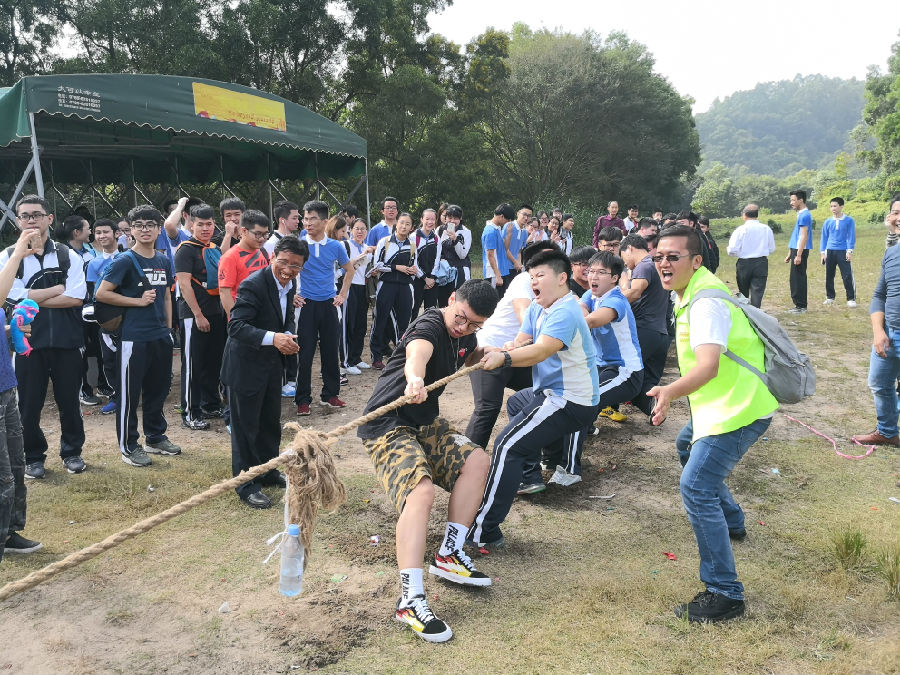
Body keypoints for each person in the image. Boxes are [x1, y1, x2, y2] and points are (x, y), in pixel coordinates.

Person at [647, 225, 778, 623]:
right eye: (659, 257)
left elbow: (707, 366)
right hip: (719, 406)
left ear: (696, 260)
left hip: (737, 409)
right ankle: (734, 521)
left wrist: (669, 391)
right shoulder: (689, 292)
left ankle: (725, 592)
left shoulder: (705, 303)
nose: (664, 264)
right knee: (686, 448)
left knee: (696, 486)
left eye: (673, 257)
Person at [357, 280, 499, 643]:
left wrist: (489, 352)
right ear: (451, 301)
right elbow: (417, 353)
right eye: (461, 318)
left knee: (478, 460)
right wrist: (415, 378)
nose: (463, 328)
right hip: (387, 426)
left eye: (474, 325)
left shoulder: (466, 334)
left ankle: (449, 553)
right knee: (420, 494)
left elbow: (464, 352)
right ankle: (410, 599)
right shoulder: (430, 324)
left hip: (425, 424)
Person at [471, 249, 600, 545]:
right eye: (531, 277)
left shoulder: (565, 311)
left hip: (572, 399)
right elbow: (522, 341)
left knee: (506, 446)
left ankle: (484, 531)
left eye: (540, 276)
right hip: (551, 393)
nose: (534, 283)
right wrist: (502, 348)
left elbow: (540, 351)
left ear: (562, 278)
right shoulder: (537, 308)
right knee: (517, 402)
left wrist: (504, 358)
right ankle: (540, 467)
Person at [1, 195, 87, 479]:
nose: (31, 220)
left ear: (49, 219)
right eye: (25, 216)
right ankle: (33, 457)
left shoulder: (67, 255)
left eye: (37, 214)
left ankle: (72, 453)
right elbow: (8, 299)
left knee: (69, 402)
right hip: (27, 345)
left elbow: (76, 298)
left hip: (67, 342)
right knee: (28, 404)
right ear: (17, 222)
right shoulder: (8, 257)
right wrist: (53, 291)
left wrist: (27, 298)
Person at [222, 237, 309, 508]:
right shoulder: (253, 284)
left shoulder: (290, 283)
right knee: (246, 426)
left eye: (296, 266)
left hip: (272, 365)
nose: (288, 270)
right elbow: (235, 326)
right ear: (273, 257)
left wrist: (287, 336)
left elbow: (286, 318)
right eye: (283, 262)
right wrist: (274, 338)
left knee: (269, 422)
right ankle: (246, 482)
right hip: (244, 366)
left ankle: (268, 469)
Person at [95, 205, 181, 467]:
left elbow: (166, 294)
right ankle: (128, 445)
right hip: (133, 337)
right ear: (130, 230)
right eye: (139, 225)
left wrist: (168, 329)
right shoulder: (124, 260)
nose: (145, 229)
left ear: (158, 229)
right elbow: (102, 293)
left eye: (150, 225)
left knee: (158, 389)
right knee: (129, 394)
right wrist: (137, 301)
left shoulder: (164, 260)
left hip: (159, 336)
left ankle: (155, 437)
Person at [465, 241, 557, 452]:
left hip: (517, 353)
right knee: (488, 408)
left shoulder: (556, 287)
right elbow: (524, 315)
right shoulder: (524, 280)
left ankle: (548, 454)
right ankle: (465, 464)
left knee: (546, 393)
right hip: (490, 350)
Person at [575, 250, 644, 461]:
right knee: (573, 392)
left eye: (601, 272)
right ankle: (585, 427)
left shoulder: (616, 300)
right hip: (601, 366)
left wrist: (583, 315)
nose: (593, 277)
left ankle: (569, 464)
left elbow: (592, 321)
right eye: (591, 271)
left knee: (583, 399)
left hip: (626, 371)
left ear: (615, 278)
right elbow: (581, 306)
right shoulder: (593, 294)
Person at [0, 228, 43, 557]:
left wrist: (9, 327)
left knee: (16, 465)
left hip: (5, 384)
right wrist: (16, 254)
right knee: (2, 474)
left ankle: (9, 532)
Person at [295, 200, 353, 415]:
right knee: (305, 353)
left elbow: (349, 269)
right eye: (305, 218)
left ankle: (330, 395)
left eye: (312, 219)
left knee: (330, 351)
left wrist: (342, 294)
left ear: (325, 221)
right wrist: (293, 294)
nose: (307, 223)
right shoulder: (299, 244)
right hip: (306, 305)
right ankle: (302, 399)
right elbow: (286, 268)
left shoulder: (336, 246)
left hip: (329, 304)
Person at [851, 194, 900, 447]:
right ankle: (887, 432)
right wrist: (878, 330)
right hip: (888, 333)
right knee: (880, 384)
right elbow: (879, 295)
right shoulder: (891, 254)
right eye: (895, 212)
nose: (898, 218)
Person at [175, 203, 226, 430]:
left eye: (209, 224)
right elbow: (184, 285)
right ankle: (190, 412)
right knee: (193, 364)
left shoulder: (214, 247)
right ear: (191, 224)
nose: (205, 228)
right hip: (193, 315)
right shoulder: (185, 249)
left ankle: (210, 404)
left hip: (216, 313)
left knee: (213, 362)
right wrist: (197, 314)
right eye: (200, 224)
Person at [619, 234, 671, 417]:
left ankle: (596, 412)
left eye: (623, 256)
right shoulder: (656, 266)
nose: (625, 263)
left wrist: (605, 303)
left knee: (621, 375)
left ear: (630, 248)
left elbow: (634, 293)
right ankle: (655, 410)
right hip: (661, 334)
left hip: (644, 331)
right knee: (646, 382)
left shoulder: (644, 266)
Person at [61, 214, 107, 407]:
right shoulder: (62, 254)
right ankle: (83, 390)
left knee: (100, 346)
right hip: (73, 310)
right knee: (80, 350)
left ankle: (105, 385)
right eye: (88, 228)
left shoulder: (89, 254)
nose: (91, 232)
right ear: (76, 232)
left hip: (93, 309)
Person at [370, 212, 419, 370]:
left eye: (408, 224)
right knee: (380, 320)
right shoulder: (384, 242)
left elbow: (415, 266)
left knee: (404, 321)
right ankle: (376, 356)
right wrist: (397, 268)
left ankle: (401, 356)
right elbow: (377, 265)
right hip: (386, 285)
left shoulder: (412, 245)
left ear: (411, 228)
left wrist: (412, 270)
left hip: (405, 286)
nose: (404, 226)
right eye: (402, 223)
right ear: (396, 224)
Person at [85, 219, 122, 416]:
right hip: (106, 320)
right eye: (97, 232)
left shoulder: (128, 257)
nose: (102, 236)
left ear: (116, 233)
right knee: (109, 360)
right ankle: (117, 397)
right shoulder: (94, 263)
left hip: (129, 316)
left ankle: (135, 395)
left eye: (105, 232)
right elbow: (92, 292)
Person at [217, 210, 271, 321]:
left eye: (265, 234)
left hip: (262, 316)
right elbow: (224, 292)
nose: (262, 238)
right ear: (244, 231)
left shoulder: (262, 252)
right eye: (257, 234)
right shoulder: (230, 257)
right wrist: (236, 321)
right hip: (242, 318)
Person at [726, 204, 777, 308]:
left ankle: (744, 314)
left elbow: (732, 250)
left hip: (744, 263)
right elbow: (772, 248)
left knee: (743, 292)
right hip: (761, 262)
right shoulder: (766, 229)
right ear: (757, 215)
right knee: (757, 293)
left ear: (744, 215)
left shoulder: (741, 230)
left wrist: (739, 253)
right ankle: (756, 315)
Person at [342, 218, 374, 374]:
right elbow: (346, 265)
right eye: (357, 228)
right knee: (349, 324)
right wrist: (363, 254)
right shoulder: (345, 246)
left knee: (361, 325)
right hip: (349, 287)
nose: (360, 232)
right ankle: (346, 361)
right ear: (351, 230)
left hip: (363, 288)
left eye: (363, 229)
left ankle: (356, 357)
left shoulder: (367, 247)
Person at [820, 197, 857, 308]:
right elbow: (824, 238)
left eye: (835, 206)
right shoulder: (827, 222)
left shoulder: (849, 220)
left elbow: (851, 236)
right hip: (830, 251)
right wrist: (822, 253)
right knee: (829, 275)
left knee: (846, 275)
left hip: (843, 251)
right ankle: (830, 297)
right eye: (831, 206)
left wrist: (849, 251)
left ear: (841, 206)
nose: (833, 208)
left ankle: (851, 298)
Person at [436, 205, 471, 307]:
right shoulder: (440, 229)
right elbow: (437, 249)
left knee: (458, 302)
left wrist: (455, 240)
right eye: (450, 218)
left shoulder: (465, 232)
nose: (452, 221)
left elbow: (462, 255)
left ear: (460, 219)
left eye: (456, 218)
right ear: (445, 218)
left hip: (460, 270)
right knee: (442, 302)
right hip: (444, 271)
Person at [786, 190, 813, 313]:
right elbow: (796, 235)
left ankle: (801, 306)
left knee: (799, 278)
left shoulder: (804, 215)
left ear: (801, 200)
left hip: (800, 250)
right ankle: (798, 305)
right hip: (795, 249)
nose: (791, 202)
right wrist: (790, 253)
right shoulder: (800, 214)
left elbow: (803, 236)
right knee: (794, 278)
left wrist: (798, 254)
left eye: (793, 200)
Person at [412, 209, 441, 318]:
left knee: (431, 312)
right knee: (414, 310)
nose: (430, 222)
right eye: (427, 219)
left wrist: (432, 278)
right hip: (417, 279)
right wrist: (424, 278)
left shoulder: (436, 238)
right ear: (421, 219)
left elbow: (437, 259)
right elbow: (413, 261)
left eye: (433, 219)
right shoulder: (413, 237)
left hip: (432, 280)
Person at [481, 203, 514, 298]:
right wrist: (497, 275)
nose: (507, 222)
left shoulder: (497, 228)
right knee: (494, 303)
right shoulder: (490, 231)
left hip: (502, 271)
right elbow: (490, 255)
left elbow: (503, 249)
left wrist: (508, 235)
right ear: (502, 216)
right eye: (507, 220)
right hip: (494, 274)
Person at [502, 204, 531, 287]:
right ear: (518, 213)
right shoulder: (509, 226)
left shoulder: (525, 232)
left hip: (515, 268)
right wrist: (515, 262)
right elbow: (504, 248)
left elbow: (519, 250)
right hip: (504, 267)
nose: (526, 218)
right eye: (524, 214)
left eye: (529, 216)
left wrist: (519, 264)